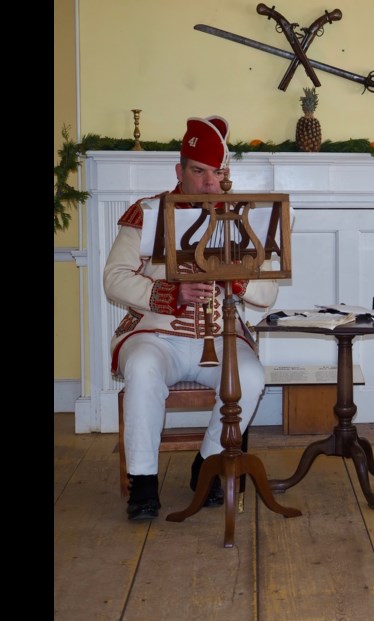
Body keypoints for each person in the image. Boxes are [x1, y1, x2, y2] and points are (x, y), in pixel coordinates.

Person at [103, 116, 278, 520]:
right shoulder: (147, 212)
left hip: (221, 337)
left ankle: (208, 466)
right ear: (179, 171)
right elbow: (113, 279)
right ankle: (144, 483)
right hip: (156, 334)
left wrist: (235, 282)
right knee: (144, 368)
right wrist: (169, 293)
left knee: (252, 377)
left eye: (217, 173)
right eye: (198, 172)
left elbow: (266, 295)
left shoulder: (243, 219)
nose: (208, 183)